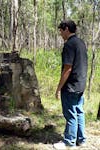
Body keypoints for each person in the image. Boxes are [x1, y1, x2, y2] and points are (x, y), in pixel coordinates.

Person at [53, 20, 88, 149]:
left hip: (71, 86)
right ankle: (81, 140)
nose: (61, 34)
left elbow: (67, 68)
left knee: (70, 114)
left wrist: (59, 87)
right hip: (81, 84)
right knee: (79, 111)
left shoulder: (69, 45)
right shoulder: (81, 43)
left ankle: (69, 142)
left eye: (61, 31)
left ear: (66, 29)